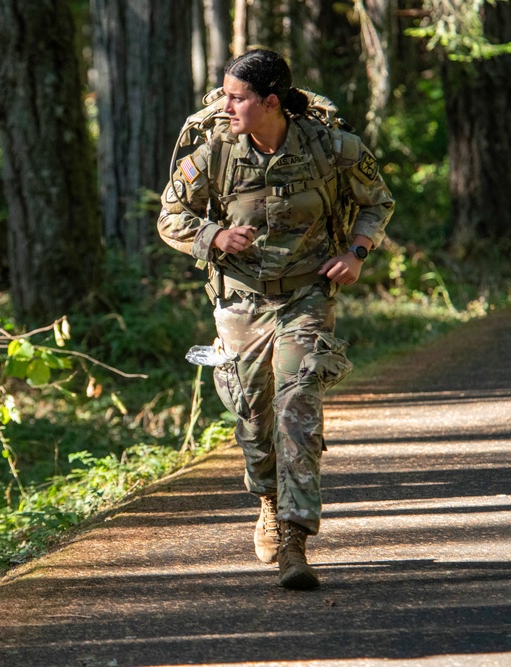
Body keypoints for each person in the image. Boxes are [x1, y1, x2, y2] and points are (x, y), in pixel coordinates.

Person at [157, 48, 394, 590]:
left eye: (237, 97)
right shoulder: (215, 148)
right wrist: (212, 235)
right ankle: (266, 498)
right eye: (224, 93)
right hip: (240, 299)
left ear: (270, 103)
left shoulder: (331, 146)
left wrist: (356, 253)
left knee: (298, 405)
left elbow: (377, 201)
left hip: (306, 296)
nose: (225, 104)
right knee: (254, 416)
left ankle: (294, 538)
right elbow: (170, 217)